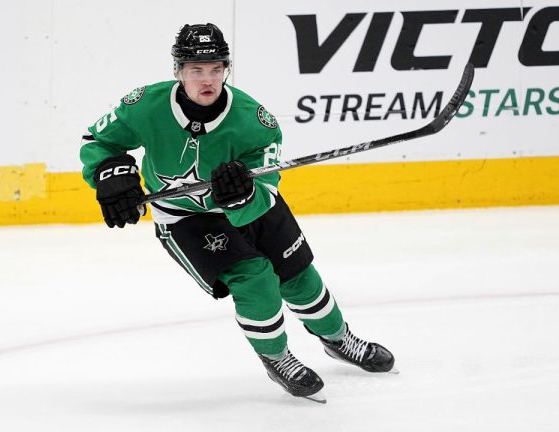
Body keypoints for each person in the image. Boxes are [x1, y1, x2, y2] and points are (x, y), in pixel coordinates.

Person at [79, 23, 395, 402]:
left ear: (226, 69)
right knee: (255, 279)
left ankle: (338, 339)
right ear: (178, 71)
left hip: (252, 206)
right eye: (196, 70)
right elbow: (97, 140)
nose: (207, 80)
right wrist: (110, 173)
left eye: (216, 69)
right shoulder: (144, 105)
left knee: (299, 276)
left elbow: (267, 188)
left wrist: (243, 195)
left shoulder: (254, 122)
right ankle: (277, 357)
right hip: (185, 218)